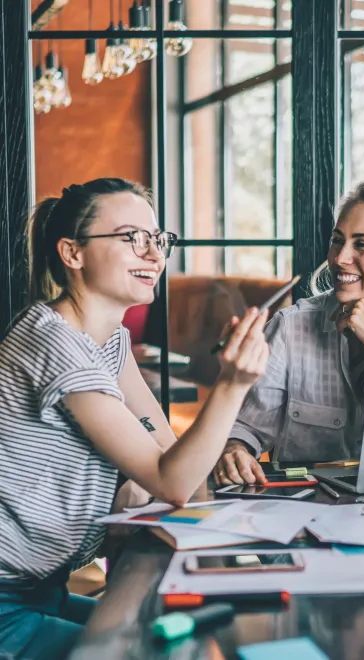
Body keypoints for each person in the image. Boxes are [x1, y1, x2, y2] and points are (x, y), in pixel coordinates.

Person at [0, 178, 269, 659]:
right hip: (6, 605)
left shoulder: (109, 339)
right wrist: (232, 384)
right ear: (73, 253)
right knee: (162, 652)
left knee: (184, 634)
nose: (153, 254)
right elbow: (172, 481)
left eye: (157, 239)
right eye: (131, 238)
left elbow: (170, 454)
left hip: (42, 587)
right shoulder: (56, 344)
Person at [213, 181, 364, 485]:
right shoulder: (291, 327)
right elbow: (247, 428)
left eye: (361, 244)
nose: (340, 257)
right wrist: (235, 448)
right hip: (306, 508)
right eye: (337, 241)